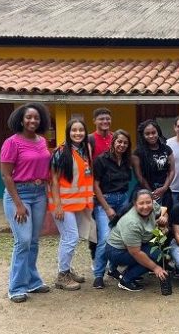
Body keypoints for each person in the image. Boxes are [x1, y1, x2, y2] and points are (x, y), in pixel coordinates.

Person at [0, 103, 52, 303]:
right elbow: (6, 175)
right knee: (22, 241)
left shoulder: (41, 141)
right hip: (18, 194)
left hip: (39, 194)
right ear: (21, 120)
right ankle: (16, 287)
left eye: (36, 118)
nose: (33, 121)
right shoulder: (12, 143)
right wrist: (18, 204)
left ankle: (32, 281)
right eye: (29, 117)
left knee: (33, 241)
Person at [48, 118, 94, 291]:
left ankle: (66, 269)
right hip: (62, 204)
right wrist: (58, 205)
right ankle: (62, 275)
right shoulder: (61, 151)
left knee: (68, 237)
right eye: (74, 130)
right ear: (68, 132)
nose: (78, 133)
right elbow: (53, 179)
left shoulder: (85, 149)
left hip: (77, 204)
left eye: (81, 130)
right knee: (71, 237)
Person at [91, 129, 133, 289]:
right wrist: (107, 208)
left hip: (123, 200)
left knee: (120, 238)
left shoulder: (127, 161)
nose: (121, 145)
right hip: (105, 201)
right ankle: (98, 274)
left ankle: (113, 268)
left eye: (125, 142)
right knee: (105, 238)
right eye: (119, 141)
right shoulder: (101, 160)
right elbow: (95, 185)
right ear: (113, 142)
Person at [106, 189, 169, 292]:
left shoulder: (153, 206)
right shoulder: (132, 222)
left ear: (152, 201)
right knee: (154, 257)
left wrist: (164, 219)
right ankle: (126, 280)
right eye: (141, 203)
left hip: (140, 241)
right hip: (117, 251)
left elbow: (165, 211)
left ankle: (131, 272)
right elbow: (136, 253)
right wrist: (155, 268)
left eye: (148, 202)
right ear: (135, 204)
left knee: (163, 239)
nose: (146, 206)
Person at [87, 107, 113, 264]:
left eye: (107, 119)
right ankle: (95, 259)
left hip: (113, 189)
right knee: (96, 228)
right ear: (94, 121)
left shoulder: (114, 137)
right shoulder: (89, 139)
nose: (105, 122)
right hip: (95, 190)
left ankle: (111, 259)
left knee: (113, 227)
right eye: (101, 119)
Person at [132, 119, 175, 208]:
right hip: (145, 192)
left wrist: (164, 188)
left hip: (165, 191)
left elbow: (171, 171)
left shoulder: (167, 149)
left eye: (153, 132)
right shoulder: (138, 153)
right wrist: (151, 193)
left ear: (158, 132)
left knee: (165, 218)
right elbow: (139, 176)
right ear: (143, 135)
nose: (151, 136)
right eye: (147, 134)